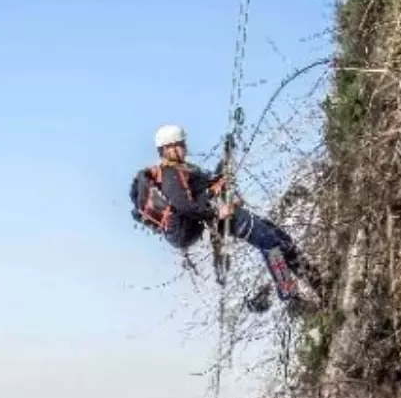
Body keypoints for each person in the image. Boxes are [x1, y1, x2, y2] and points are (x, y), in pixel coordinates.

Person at [130, 124, 325, 302]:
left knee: (280, 239)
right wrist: (217, 212)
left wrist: (225, 161)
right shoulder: (170, 175)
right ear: (167, 149)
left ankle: (320, 285)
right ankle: (289, 294)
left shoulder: (185, 169)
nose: (185, 148)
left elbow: (206, 186)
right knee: (269, 241)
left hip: (217, 215)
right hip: (218, 219)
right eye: (181, 145)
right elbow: (184, 205)